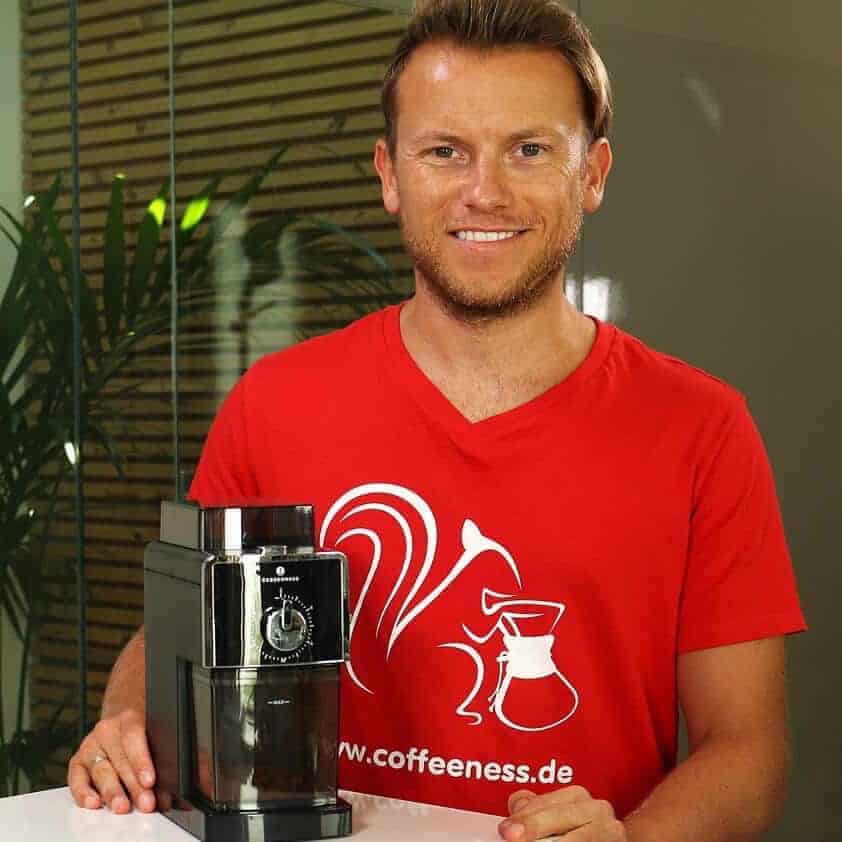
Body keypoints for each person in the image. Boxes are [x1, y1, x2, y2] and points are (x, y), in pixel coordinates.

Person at [68, 2, 806, 839]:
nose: (483, 190)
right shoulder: (274, 405)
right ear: (390, 174)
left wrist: (632, 841)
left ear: (593, 174)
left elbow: (746, 750)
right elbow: (175, 633)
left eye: (529, 150)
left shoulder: (701, 428)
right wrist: (130, 724)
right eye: (444, 151)